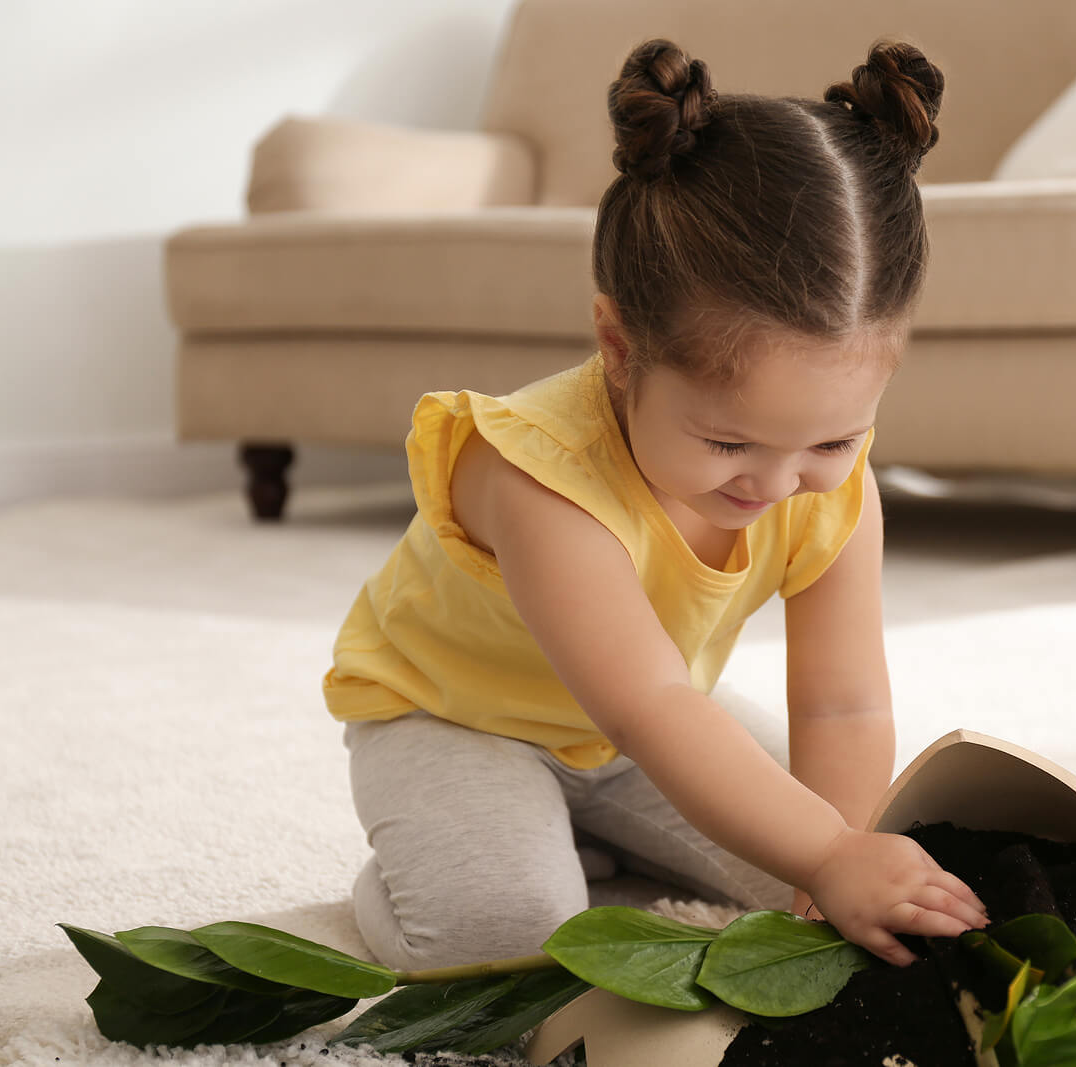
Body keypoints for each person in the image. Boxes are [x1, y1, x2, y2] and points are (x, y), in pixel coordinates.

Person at [323, 36, 986, 974]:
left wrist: (825, 878)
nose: (775, 483)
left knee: (871, 877)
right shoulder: (538, 477)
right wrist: (829, 854)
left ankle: (592, 845)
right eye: (727, 443)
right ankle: (408, 876)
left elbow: (841, 707)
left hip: (640, 734)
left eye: (833, 441)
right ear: (619, 346)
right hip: (458, 718)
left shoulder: (830, 485)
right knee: (503, 940)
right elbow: (650, 703)